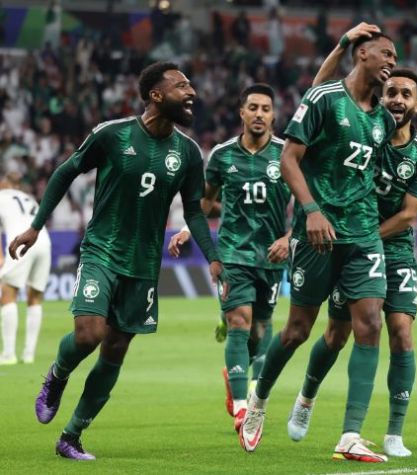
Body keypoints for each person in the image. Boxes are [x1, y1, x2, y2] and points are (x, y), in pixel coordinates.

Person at [8, 61, 225, 461]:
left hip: (144, 265)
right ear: (156, 95)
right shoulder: (113, 134)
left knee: (115, 349)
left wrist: (212, 257)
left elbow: (194, 211)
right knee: (88, 334)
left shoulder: (189, 152)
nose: (191, 92)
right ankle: (57, 374)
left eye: (191, 85)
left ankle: (71, 436)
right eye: (181, 86)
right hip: (102, 251)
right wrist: (36, 226)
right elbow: (66, 172)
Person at [239, 30, 398, 463]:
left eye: (395, 57)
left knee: (370, 324)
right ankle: (258, 400)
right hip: (317, 235)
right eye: (385, 53)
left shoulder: (384, 121)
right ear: (361, 54)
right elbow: (288, 158)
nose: (391, 61)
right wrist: (310, 210)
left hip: (362, 234)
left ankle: (350, 434)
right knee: (296, 331)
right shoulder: (325, 98)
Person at [284, 24, 417, 459]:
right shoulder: (363, 124)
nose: (398, 99)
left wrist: (363, 238)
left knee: (401, 331)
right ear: (381, 94)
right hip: (346, 238)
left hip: (389, 244)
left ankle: (393, 433)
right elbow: (317, 94)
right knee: (336, 334)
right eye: (392, 92)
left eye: (407, 94)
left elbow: (408, 214)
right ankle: (306, 398)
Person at [168, 83, 291, 432]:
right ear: (242, 113)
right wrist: (187, 229)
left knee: (260, 330)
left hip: (271, 256)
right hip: (233, 253)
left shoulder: (288, 154)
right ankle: (242, 407)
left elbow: (308, 199)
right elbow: (206, 200)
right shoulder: (222, 155)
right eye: (253, 107)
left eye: (265, 109)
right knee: (240, 321)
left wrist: (289, 239)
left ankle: (236, 376)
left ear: (273, 115)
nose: (259, 114)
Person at [0, 173, 52, 365]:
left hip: (21, 240)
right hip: (43, 241)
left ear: (4, 183)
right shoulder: (28, 198)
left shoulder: (1, 196)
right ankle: (29, 354)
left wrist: (0, 257)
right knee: (35, 297)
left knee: (8, 293)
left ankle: (8, 354)